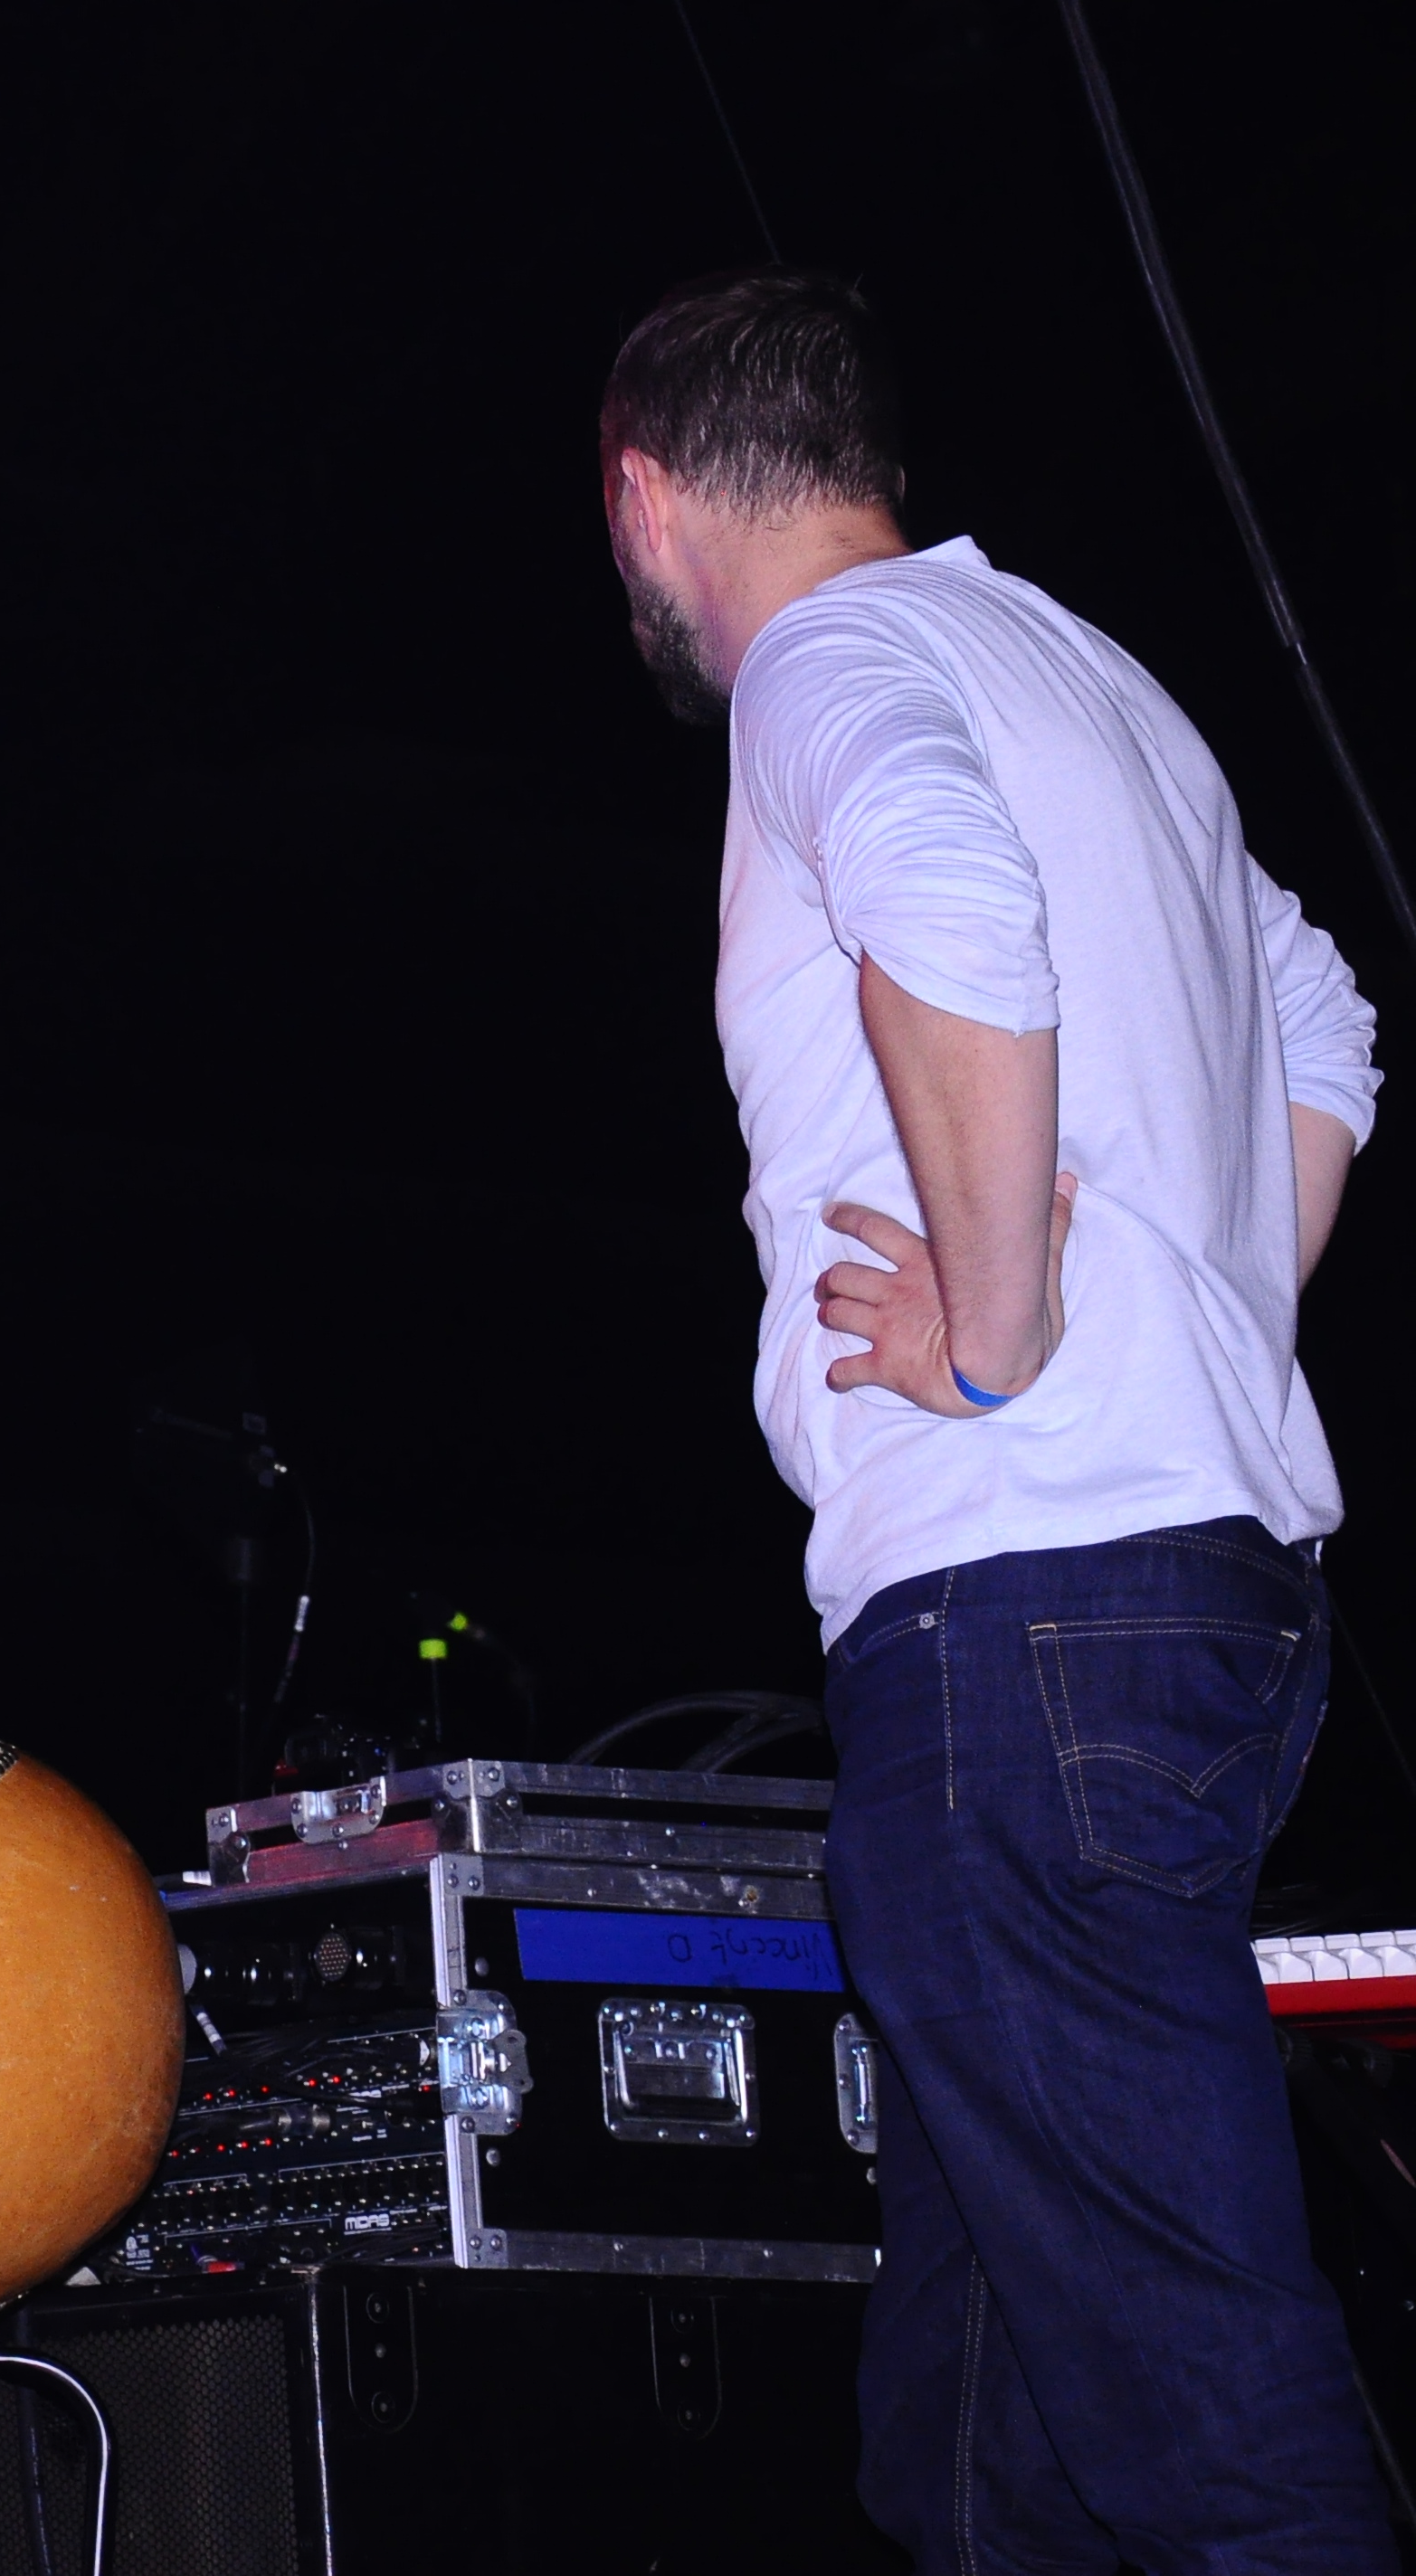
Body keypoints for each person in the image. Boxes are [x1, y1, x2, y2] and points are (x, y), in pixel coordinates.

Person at [599, 268, 1386, 2565]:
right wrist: (1199, 1309)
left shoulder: (825, 667)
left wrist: (1014, 1320)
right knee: (972, 2434)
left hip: (1020, 1613)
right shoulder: (1091, 678)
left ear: (645, 500)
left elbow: (942, 887)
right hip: (1174, 1607)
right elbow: (1317, 1011)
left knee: (1194, 2397)